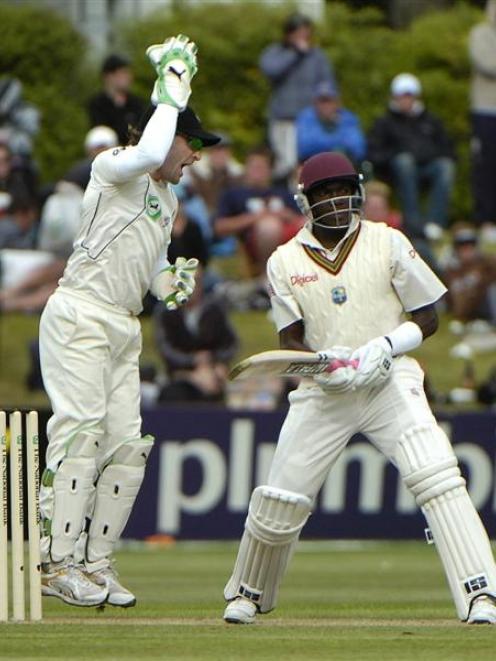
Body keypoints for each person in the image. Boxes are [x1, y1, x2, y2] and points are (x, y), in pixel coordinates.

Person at [222, 152, 496, 626]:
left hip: (389, 381)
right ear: (305, 201)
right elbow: (290, 340)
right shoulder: (284, 261)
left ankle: (481, 593)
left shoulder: (387, 241)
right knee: (280, 498)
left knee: (438, 475)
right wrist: (323, 368)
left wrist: (387, 346)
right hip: (326, 392)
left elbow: (429, 315)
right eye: (324, 193)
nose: (336, 200)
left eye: (343, 189)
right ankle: (250, 591)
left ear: (359, 190)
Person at [38, 34, 220, 609]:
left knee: (126, 447)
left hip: (122, 324)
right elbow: (147, 153)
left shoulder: (167, 201)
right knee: (81, 434)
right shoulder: (113, 166)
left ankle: (95, 563)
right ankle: (55, 562)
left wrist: (169, 282)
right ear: (160, 132)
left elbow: (149, 271)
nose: (195, 155)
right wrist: (171, 85)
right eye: (190, 143)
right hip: (79, 313)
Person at [367, 73, 456, 242]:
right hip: (394, 172)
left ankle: (435, 223)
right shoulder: (385, 122)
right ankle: (413, 222)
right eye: (401, 96)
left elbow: (447, 150)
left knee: (445, 166)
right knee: (404, 163)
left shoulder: (430, 121)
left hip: (426, 168)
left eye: (409, 96)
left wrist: (422, 155)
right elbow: (375, 153)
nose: (405, 100)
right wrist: (399, 156)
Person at [259, 12, 335, 181]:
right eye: (299, 32)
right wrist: (295, 55)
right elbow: (271, 70)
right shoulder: (275, 52)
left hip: (309, 120)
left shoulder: (317, 56)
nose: (303, 37)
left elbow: (327, 85)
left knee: (309, 163)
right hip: (283, 119)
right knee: (285, 164)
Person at [214, 146, 303, 277]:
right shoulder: (234, 194)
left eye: (261, 167)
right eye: (252, 167)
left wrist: (286, 215)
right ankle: (267, 275)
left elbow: (302, 221)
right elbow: (219, 226)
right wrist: (255, 218)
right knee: (269, 226)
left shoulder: (283, 193)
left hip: (288, 239)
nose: (256, 172)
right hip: (254, 242)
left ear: (270, 170)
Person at [154, 265, 239, 403]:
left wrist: (213, 361)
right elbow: (165, 348)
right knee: (176, 394)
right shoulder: (166, 312)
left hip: (213, 371)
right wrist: (193, 361)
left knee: (216, 387)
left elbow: (231, 343)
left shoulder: (215, 309)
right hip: (178, 373)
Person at [468, 0, 496, 240]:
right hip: (486, 110)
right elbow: (487, 63)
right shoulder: (480, 33)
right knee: (486, 166)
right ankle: (486, 220)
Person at [296, 80, 366, 165]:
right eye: (322, 101)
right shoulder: (306, 117)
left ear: (337, 102)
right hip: (314, 166)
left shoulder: (348, 118)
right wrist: (337, 145)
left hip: (343, 166)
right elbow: (304, 148)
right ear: (315, 103)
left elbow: (358, 149)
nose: (326, 105)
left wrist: (336, 125)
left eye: (329, 100)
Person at [88, 54, 146, 145]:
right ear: (109, 76)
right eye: (123, 73)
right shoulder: (97, 104)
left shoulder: (136, 103)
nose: (128, 77)